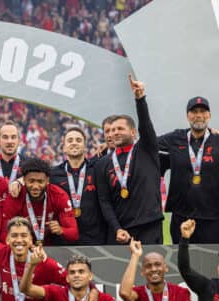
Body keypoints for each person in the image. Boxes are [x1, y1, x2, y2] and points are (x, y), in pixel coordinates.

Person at [96, 76, 163, 244]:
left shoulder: (146, 149)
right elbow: (104, 201)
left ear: (133, 132)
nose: (114, 133)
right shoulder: (103, 163)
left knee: (152, 268)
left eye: (120, 128)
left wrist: (140, 99)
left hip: (150, 226)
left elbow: (146, 125)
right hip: (121, 231)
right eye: (111, 130)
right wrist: (116, 227)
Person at [158, 97, 219, 243]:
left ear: (209, 115)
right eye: (194, 112)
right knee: (181, 260)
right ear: (187, 116)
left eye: (203, 111)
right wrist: (110, 147)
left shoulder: (217, 140)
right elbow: (148, 143)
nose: (198, 115)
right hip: (181, 216)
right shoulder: (176, 138)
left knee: (210, 263)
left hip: (213, 218)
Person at [0, 157, 78, 245]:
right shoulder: (15, 196)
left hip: (51, 246)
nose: (35, 186)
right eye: (31, 181)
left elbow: (74, 234)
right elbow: (4, 236)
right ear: (24, 180)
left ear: (47, 180)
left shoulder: (59, 195)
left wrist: (61, 230)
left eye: (40, 181)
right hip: (23, 246)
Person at [50, 127, 106, 245]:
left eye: (78, 140)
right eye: (70, 140)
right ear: (64, 147)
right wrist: (18, 182)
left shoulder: (97, 168)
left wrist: (108, 146)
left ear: (85, 146)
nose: (74, 143)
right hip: (64, 238)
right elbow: (33, 174)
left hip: (94, 238)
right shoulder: (53, 173)